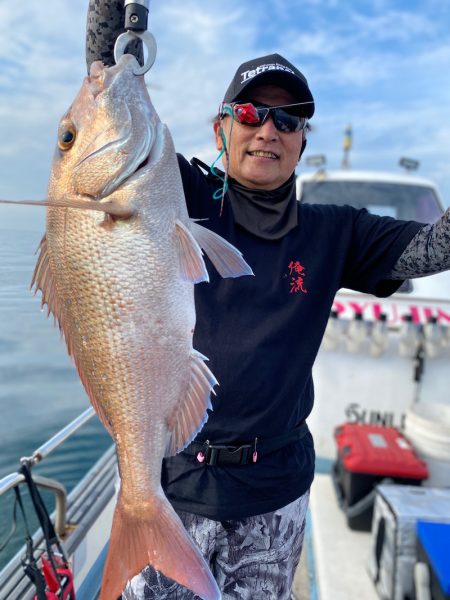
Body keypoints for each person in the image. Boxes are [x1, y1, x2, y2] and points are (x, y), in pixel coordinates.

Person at [86, 4, 450, 600]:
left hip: (276, 491)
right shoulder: (171, 192)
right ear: (221, 127)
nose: (268, 130)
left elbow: (434, 249)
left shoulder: (336, 230)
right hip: (173, 481)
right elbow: (105, 112)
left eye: (288, 119)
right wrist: (110, 14)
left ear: (303, 140)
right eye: (252, 113)